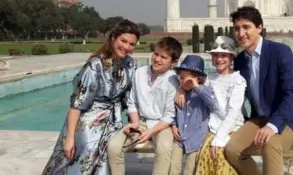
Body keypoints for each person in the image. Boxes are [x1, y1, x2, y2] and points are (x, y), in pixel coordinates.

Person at [224, 6, 293, 175]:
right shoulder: (241, 61)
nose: (241, 33)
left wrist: (273, 125)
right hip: (260, 118)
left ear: (259, 28)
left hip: (289, 119)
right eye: (237, 28)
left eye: (246, 27)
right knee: (232, 149)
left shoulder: (280, 52)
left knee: (271, 142)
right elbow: (228, 89)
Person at [41, 19, 141, 175]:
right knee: (82, 162)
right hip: (89, 122)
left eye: (132, 44)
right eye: (123, 41)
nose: (127, 47)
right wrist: (69, 138)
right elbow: (77, 104)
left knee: (106, 161)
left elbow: (130, 98)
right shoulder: (96, 65)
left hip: (113, 123)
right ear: (114, 38)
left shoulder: (130, 64)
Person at [107, 37, 183, 175]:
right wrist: (135, 123)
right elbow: (132, 103)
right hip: (140, 121)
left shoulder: (173, 80)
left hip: (161, 125)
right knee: (113, 146)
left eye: (163, 57)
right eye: (156, 54)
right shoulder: (140, 73)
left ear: (173, 61)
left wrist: (150, 132)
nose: (157, 59)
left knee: (164, 147)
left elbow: (169, 115)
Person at [183, 36, 246, 175]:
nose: (219, 59)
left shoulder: (237, 81)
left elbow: (232, 114)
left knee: (221, 155)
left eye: (224, 55)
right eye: (215, 55)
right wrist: (180, 90)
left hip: (231, 127)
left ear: (231, 58)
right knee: (204, 155)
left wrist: (219, 139)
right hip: (212, 126)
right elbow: (189, 85)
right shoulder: (209, 78)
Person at [169, 55, 216, 175]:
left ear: (198, 79)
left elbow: (212, 104)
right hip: (179, 138)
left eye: (186, 78)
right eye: (181, 78)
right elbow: (173, 112)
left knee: (190, 169)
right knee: (173, 166)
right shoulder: (179, 94)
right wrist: (173, 125)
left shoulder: (204, 92)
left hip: (196, 139)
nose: (183, 81)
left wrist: (196, 86)